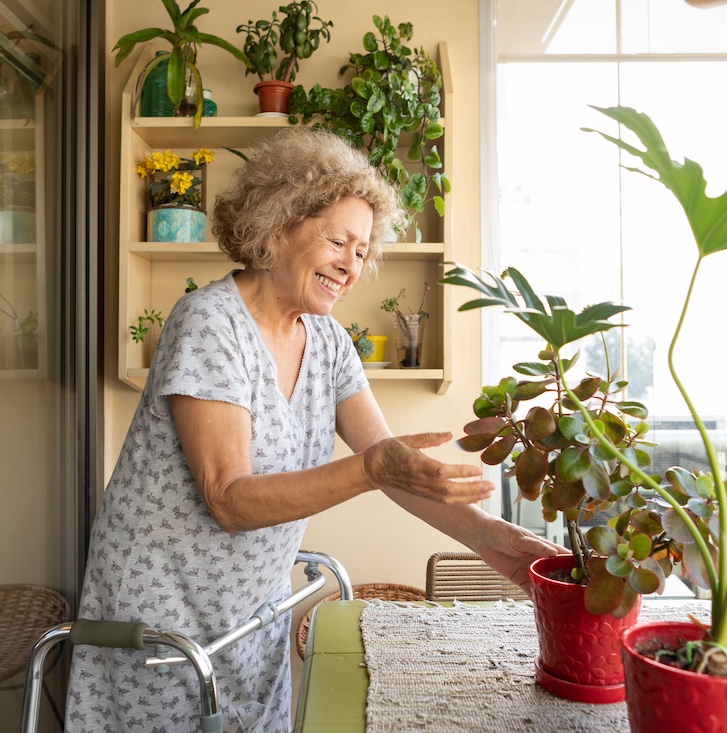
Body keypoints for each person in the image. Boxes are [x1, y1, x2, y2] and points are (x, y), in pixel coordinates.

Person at [67, 127, 562, 732]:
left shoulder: (328, 342)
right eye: (338, 241)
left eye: (362, 251)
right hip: (162, 622)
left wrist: (495, 541)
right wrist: (374, 468)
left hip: (251, 615)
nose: (351, 266)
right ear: (276, 228)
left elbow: (392, 469)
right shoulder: (209, 324)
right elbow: (228, 498)